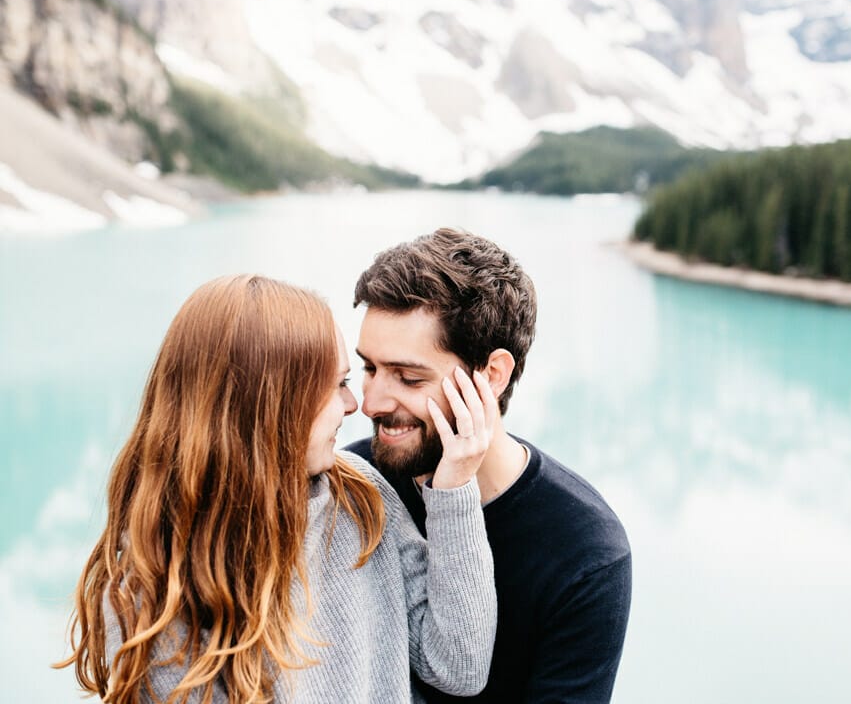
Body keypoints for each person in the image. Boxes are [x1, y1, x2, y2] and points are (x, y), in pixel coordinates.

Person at [56, 274, 498, 703]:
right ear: (269, 406)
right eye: (338, 384)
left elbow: (458, 667)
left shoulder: (362, 496)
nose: (354, 405)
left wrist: (454, 490)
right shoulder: (153, 592)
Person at [346, 228, 632, 703]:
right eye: (370, 369)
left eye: (409, 377)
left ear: (492, 375)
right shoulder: (353, 485)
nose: (370, 402)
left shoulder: (585, 553)